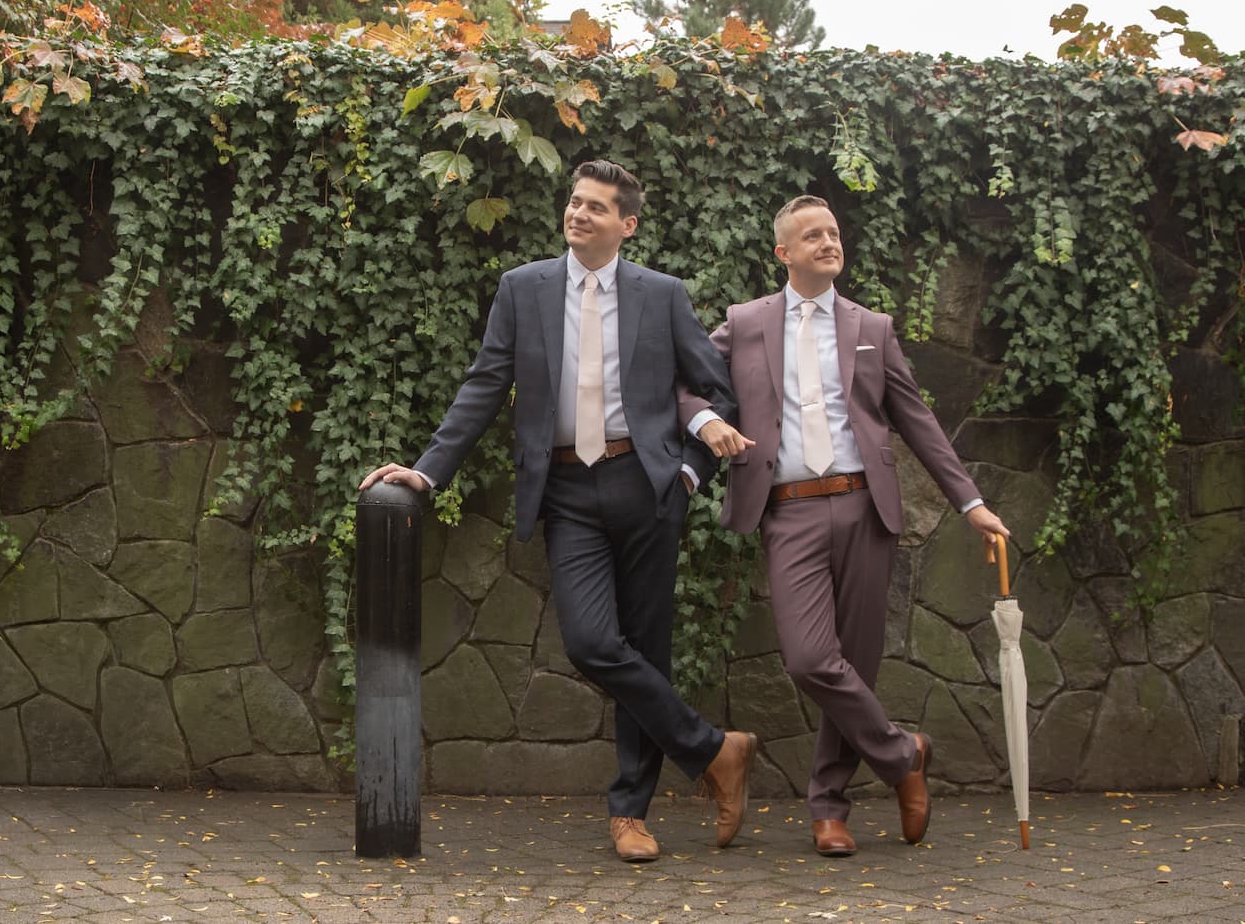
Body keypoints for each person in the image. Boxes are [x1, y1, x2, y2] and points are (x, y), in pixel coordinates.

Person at [360, 160, 759, 863]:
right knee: (591, 641)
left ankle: (630, 812)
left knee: (648, 646)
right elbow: (485, 383)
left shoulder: (661, 295)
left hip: (647, 484)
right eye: (574, 202)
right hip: (568, 491)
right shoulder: (524, 288)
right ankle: (714, 749)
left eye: (596, 207)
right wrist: (426, 470)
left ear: (626, 224)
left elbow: (716, 389)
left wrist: (691, 473)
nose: (578, 214)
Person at [679, 194, 1010, 857]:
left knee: (853, 662)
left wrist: (970, 502)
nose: (828, 242)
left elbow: (917, 421)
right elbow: (683, 380)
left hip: (865, 507)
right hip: (788, 510)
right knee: (809, 657)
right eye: (812, 235)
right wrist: (704, 419)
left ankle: (829, 807)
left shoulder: (871, 327)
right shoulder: (744, 324)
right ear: (784, 253)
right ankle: (902, 755)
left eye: (833, 232)